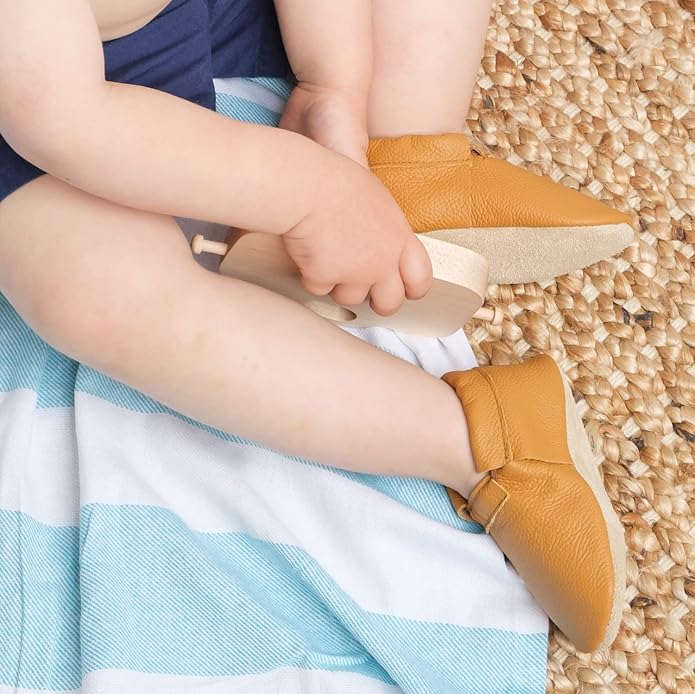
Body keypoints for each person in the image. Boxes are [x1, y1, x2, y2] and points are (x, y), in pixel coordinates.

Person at [0, 0, 626, 651]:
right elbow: (61, 114)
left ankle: (413, 165)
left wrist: (335, 87)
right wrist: (310, 194)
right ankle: (485, 438)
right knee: (95, 293)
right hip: (36, 101)